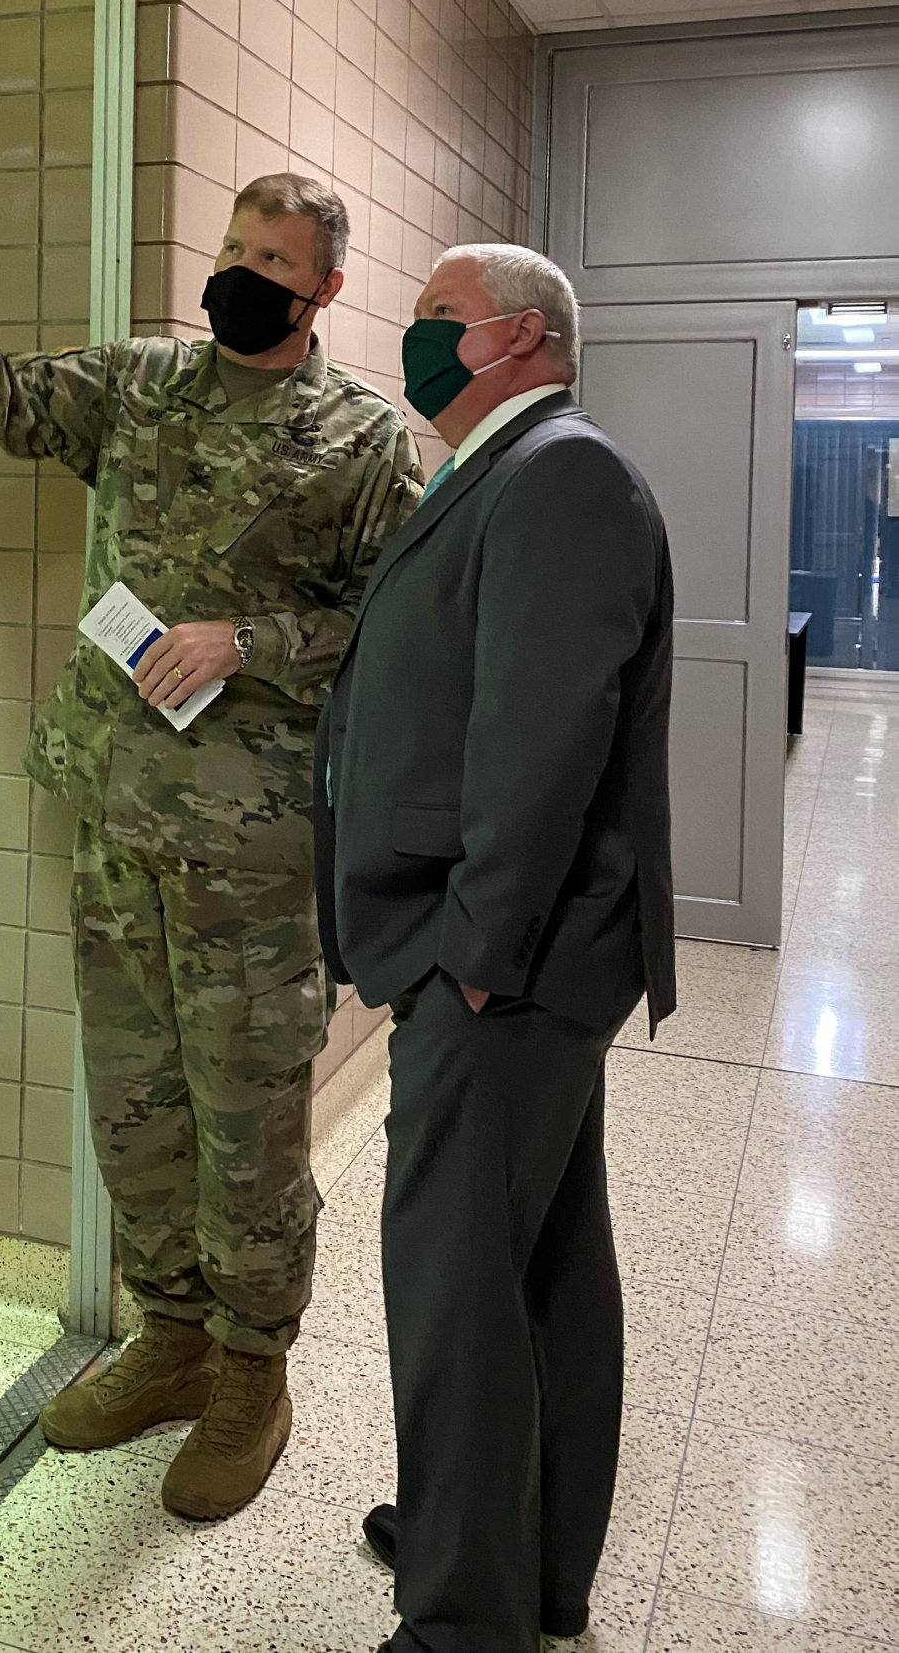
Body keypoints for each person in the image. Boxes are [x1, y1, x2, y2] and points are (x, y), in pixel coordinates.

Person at [0, 152, 421, 1520]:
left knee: (245, 1117)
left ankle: (253, 1369)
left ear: (325, 292)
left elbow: (405, 621)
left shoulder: (361, 442)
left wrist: (252, 642)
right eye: (235, 250)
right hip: (117, 812)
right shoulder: (141, 385)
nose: (241, 277)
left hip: (250, 846)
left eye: (274, 266)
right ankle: (168, 1340)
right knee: (133, 1105)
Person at [313, 243, 674, 1652]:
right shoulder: (503, 469)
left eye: (432, 322)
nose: (408, 342)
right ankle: (520, 1549)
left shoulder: (562, 476)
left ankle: (464, 1615)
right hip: (510, 959)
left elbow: (541, 741)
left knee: (457, 1284)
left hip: (503, 966)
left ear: (518, 337)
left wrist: (472, 952)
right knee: (532, 1265)